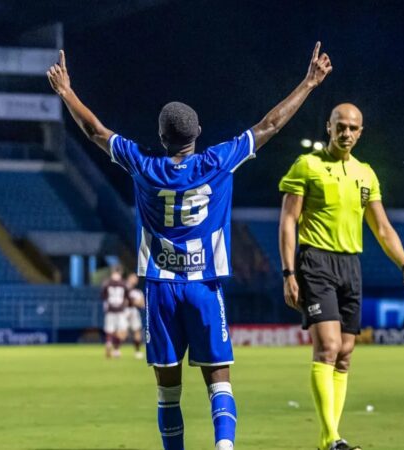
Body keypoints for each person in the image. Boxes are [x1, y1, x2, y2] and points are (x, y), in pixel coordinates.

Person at [47, 42, 332, 450]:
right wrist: (308, 83)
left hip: (160, 290)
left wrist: (66, 92)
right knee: (218, 378)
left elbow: (95, 130)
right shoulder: (217, 161)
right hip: (203, 286)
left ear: (162, 138)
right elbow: (269, 125)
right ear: (196, 134)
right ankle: (224, 446)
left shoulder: (144, 165)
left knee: (168, 392)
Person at [278, 104, 404, 450]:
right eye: (340, 126)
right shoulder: (307, 166)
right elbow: (288, 220)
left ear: (361, 132)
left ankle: (329, 438)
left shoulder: (366, 174)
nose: (346, 133)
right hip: (315, 263)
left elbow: (383, 228)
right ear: (328, 127)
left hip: (350, 266)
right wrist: (288, 272)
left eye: (352, 128)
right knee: (326, 347)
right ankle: (331, 440)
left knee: (344, 353)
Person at [101, 265, 129, 359]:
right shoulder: (123, 284)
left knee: (110, 330)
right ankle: (116, 349)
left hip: (110, 309)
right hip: (120, 310)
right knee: (120, 331)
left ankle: (109, 343)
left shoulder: (107, 283)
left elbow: (103, 296)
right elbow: (126, 297)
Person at [126, 273, 145, 360]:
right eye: (133, 278)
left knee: (137, 331)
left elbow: (142, 304)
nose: (135, 280)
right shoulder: (123, 288)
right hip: (123, 311)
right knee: (122, 334)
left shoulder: (138, 292)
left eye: (136, 278)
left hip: (134, 311)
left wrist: (133, 302)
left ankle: (137, 351)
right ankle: (116, 349)